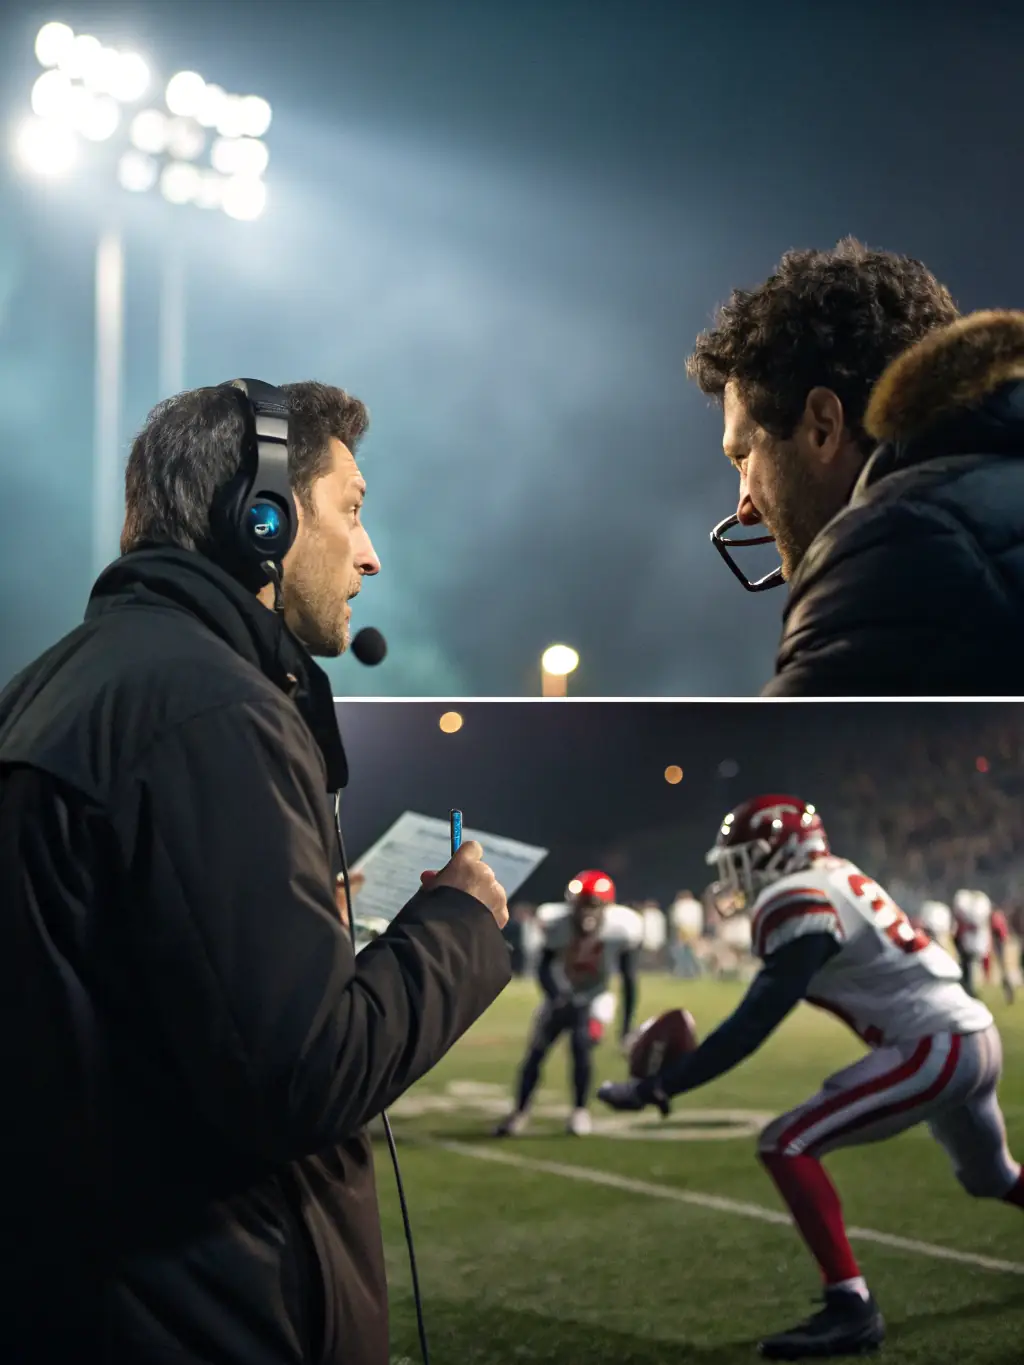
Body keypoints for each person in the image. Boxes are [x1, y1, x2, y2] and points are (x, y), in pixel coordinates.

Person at [0, 380, 513, 1365]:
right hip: (199, 1310)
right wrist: (458, 922)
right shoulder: (212, 710)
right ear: (261, 517)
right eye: (352, 510)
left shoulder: (59, 682)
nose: (369, 555)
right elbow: (301, 1078)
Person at [599, 794, 1023, 1360]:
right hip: (971, 1035)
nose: (739, 875)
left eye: (745, 858)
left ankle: (851, 1308)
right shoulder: (835, 875)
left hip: (934, 1044)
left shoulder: (798, 896)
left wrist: (659, 1086)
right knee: (991, 1177)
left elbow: (755, 1022)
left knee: (786, 1142)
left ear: (782, 852)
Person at [687, 242, 1024, 694]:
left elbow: (779, 761)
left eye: (743, 458)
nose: (744, 506)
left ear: (823, 426)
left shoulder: (901, 550)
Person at [495, 870, 642, 1137]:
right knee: (536, 1052)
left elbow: (630, 979)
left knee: (581, 1044)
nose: (586, 911)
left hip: (598, 996)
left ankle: (579, 1111)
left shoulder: (620, 929)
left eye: (593, 905)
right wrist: (556, 996)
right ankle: (519, 1111)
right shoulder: (556, 924)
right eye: (581, 904)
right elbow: (543, 968)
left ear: (606, 907)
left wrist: (626, 1027)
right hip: (563, 992)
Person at [953, 888, 993, 999]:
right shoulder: (969, 905)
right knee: (967, 963)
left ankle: (969, 987)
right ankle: (968, 987)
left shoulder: (975, 906)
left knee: (969, 963)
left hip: (970, 938)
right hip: (967, 938)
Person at [668, 888, 704, 977]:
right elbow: (699, 919)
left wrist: (678, 931)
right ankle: (693, 970)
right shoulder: (696, 905)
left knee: (681, 951)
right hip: (693, 929)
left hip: (683, 929)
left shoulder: (679, 905)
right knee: (690, 951)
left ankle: (685, 970)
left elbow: (676, 919)